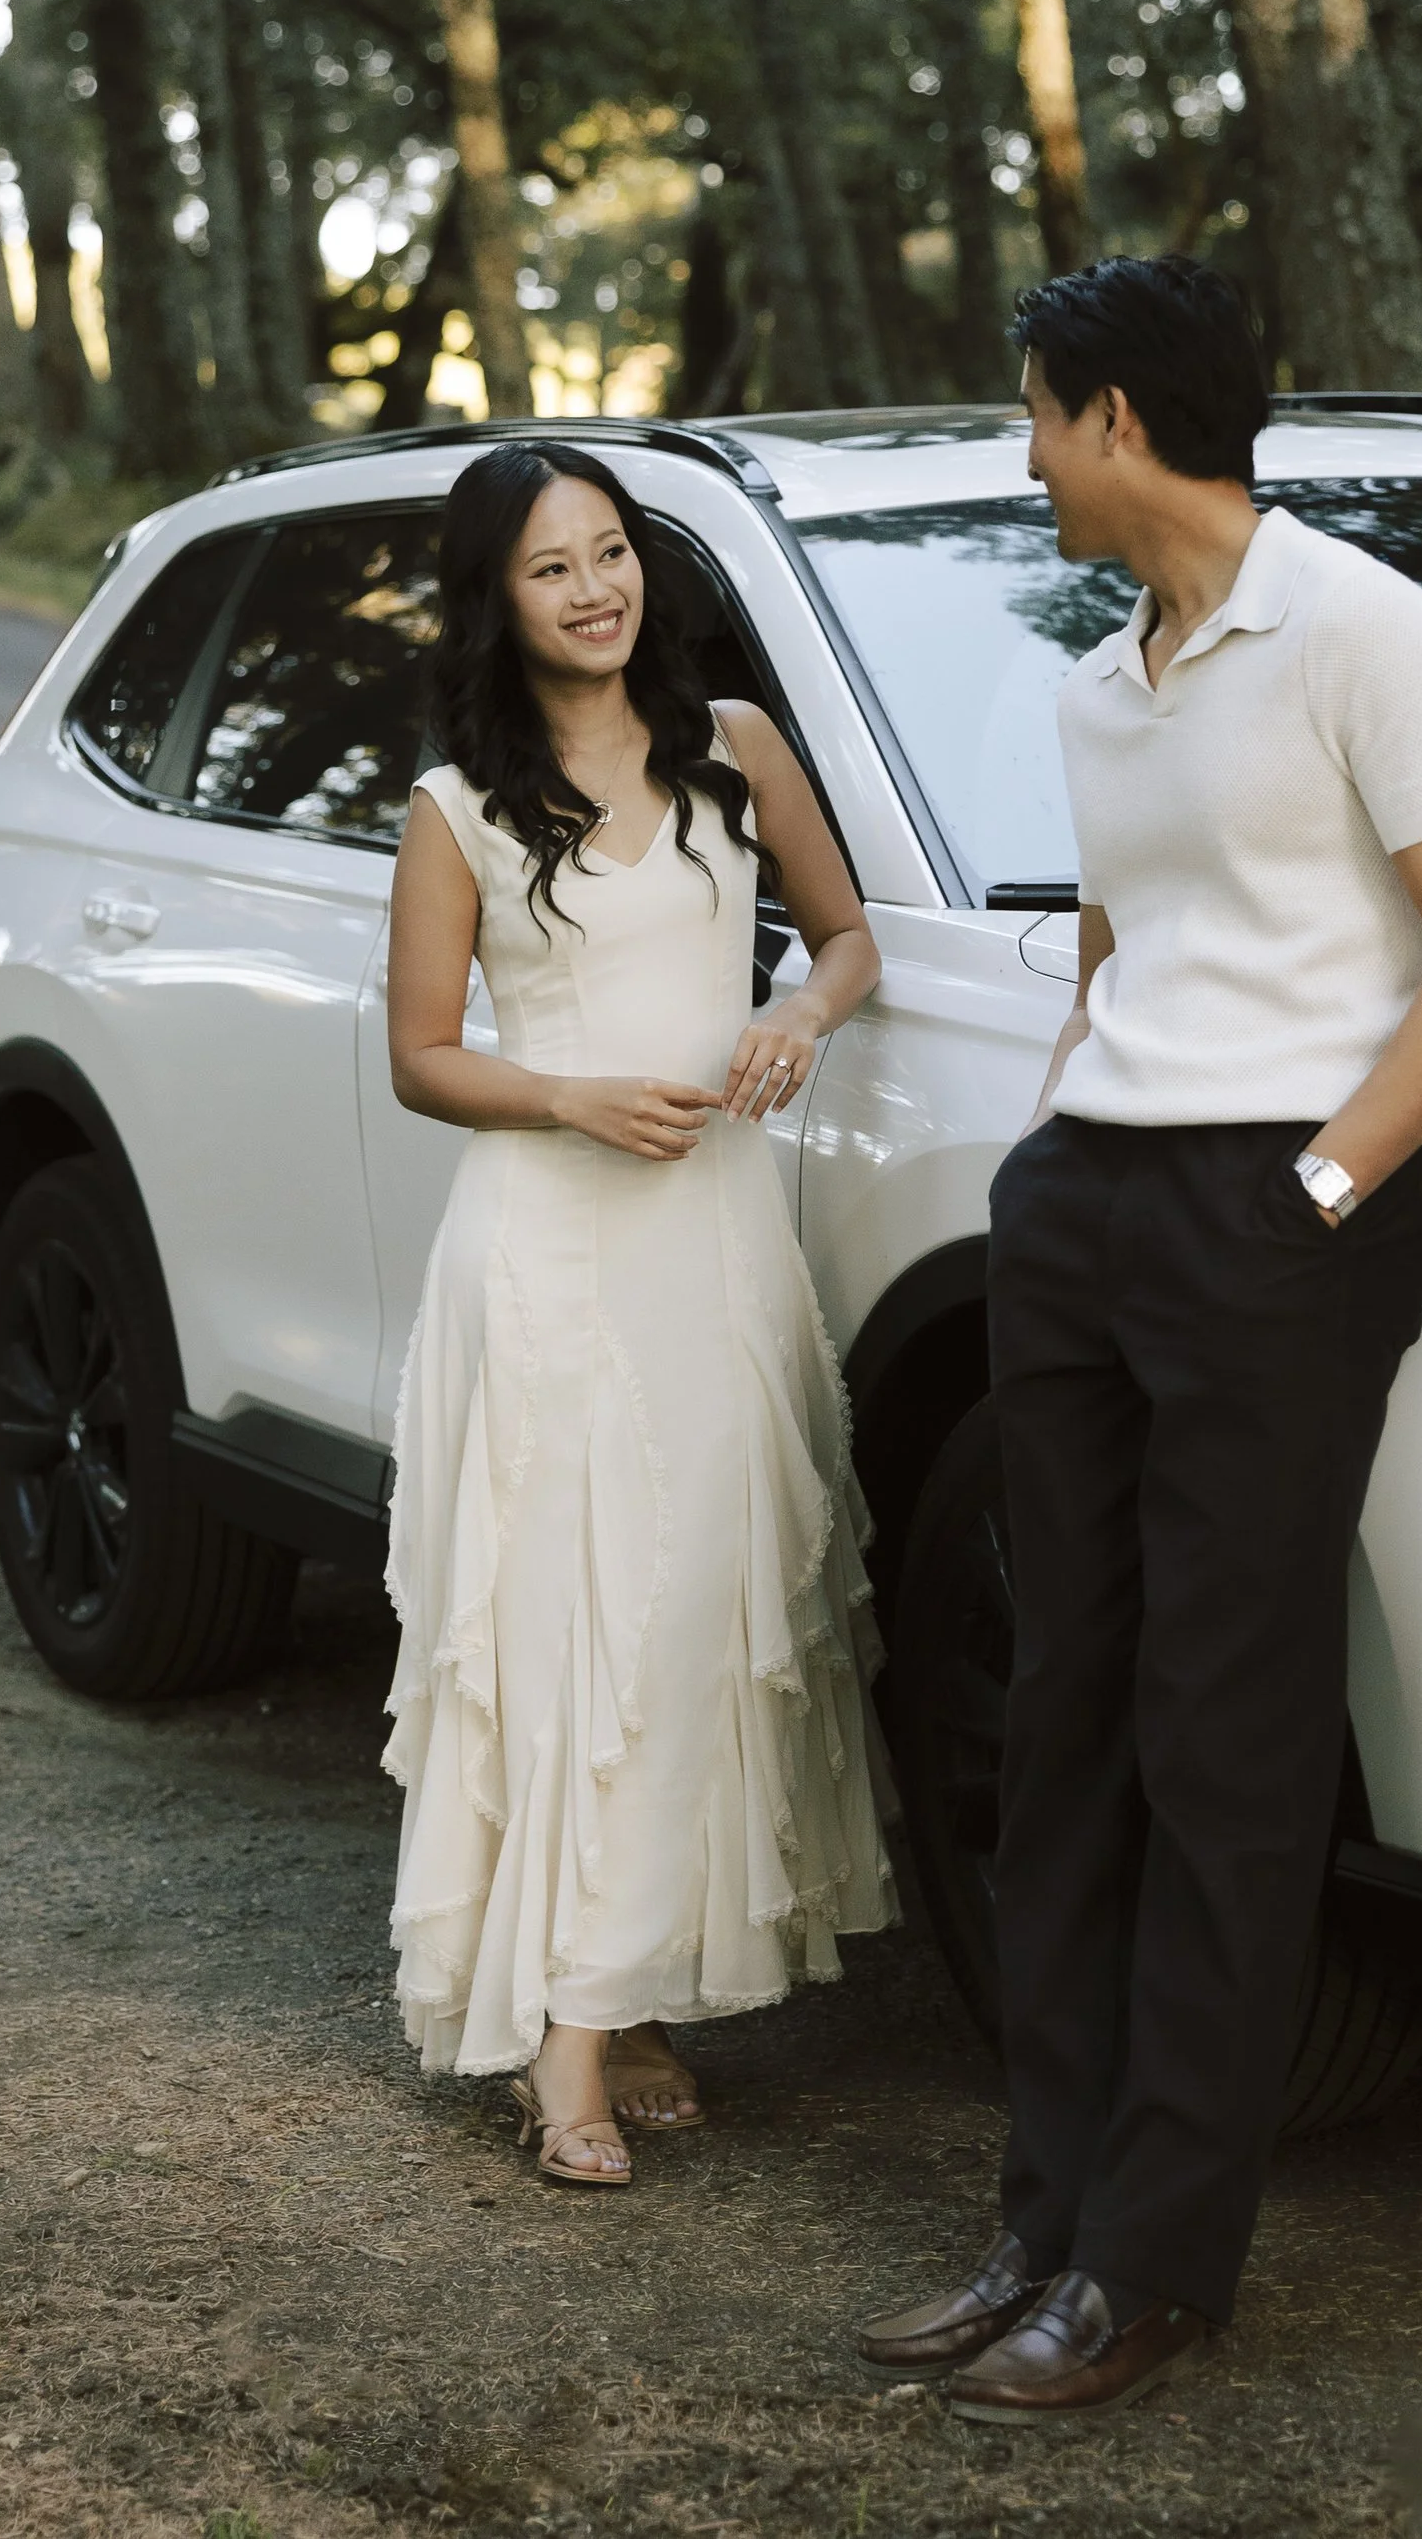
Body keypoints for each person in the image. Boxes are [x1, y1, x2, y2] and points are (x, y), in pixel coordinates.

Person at [859, 256, 1422, 2414]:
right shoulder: (1097, 684)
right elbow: (1119, 936)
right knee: (1062, 1724)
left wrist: (1321, 1190)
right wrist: (1055, 1137)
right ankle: (1042, 2215)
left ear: (1122, 423)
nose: (1024, 453)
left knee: (1222, 1748)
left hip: (1275, 1218)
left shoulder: (1361, 630)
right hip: (1087, 1208)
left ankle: (1152, 2256)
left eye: (1035, 413)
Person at [381, 443, 897, 2187]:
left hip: (718, 1243)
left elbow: (847, 942)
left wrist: (797, 1019)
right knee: (568, 1632)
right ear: (496, 601)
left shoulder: (738, 750)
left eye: (613, 554)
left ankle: (638, 1985)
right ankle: (566, 2047)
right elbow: (423, 1056)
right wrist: (573, 1097)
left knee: (693, 1619)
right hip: (546, 1251)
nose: (597, 588)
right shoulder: (455, 802)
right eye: (552, 568)